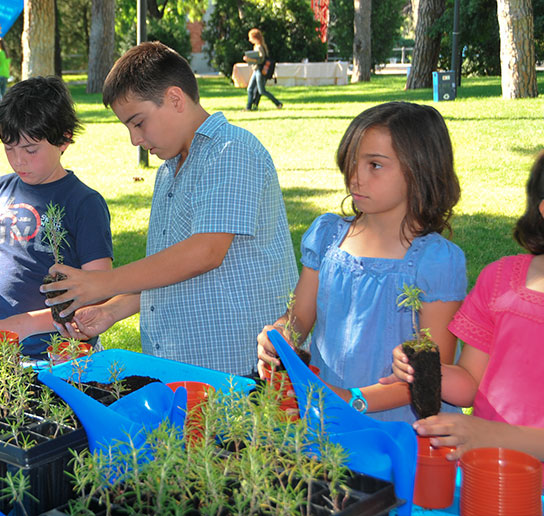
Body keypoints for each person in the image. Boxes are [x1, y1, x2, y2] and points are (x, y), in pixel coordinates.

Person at [40, 42, 297, 376]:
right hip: (179, 368)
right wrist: (112, 311)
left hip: (240, 371)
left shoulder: (232, 152)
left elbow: (204, 253)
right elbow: (170, 270)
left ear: (175, 99)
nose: (134, 139)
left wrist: (103, 283)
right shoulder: (168, 170)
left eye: (138, 122)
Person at [257, 102, 466, 423]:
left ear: (420, 169)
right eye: (353, 161)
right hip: (326, 415)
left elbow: (429, 375)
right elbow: (299, 316)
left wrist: (349, 399)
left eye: (375, 165)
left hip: (399, 431)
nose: (356, 176)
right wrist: (279, 337)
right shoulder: (327, 237)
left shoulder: (436, 262)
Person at [0, 76, 113, 358]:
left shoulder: (84, 203)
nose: (18, 160)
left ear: (64, 139)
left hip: (61, 354)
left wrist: (26, 324)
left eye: (30, 150)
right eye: (9, 148)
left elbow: (101, 292)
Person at [388, 152, 544, 461]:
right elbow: (470, 384)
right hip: (487, 474)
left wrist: (490, 434)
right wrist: (423, 369)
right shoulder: (500, 280)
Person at [244, 28, 282, 111]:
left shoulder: (259, 47)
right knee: (250, 88)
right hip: (257, 70)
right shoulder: (259, 46)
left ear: (255, 38)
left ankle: (277, 103)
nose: (249, 39)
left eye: (250, 37)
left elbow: (261, 59)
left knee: (261, 91)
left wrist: (249, 59)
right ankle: (249, 107)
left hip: (260, 71)